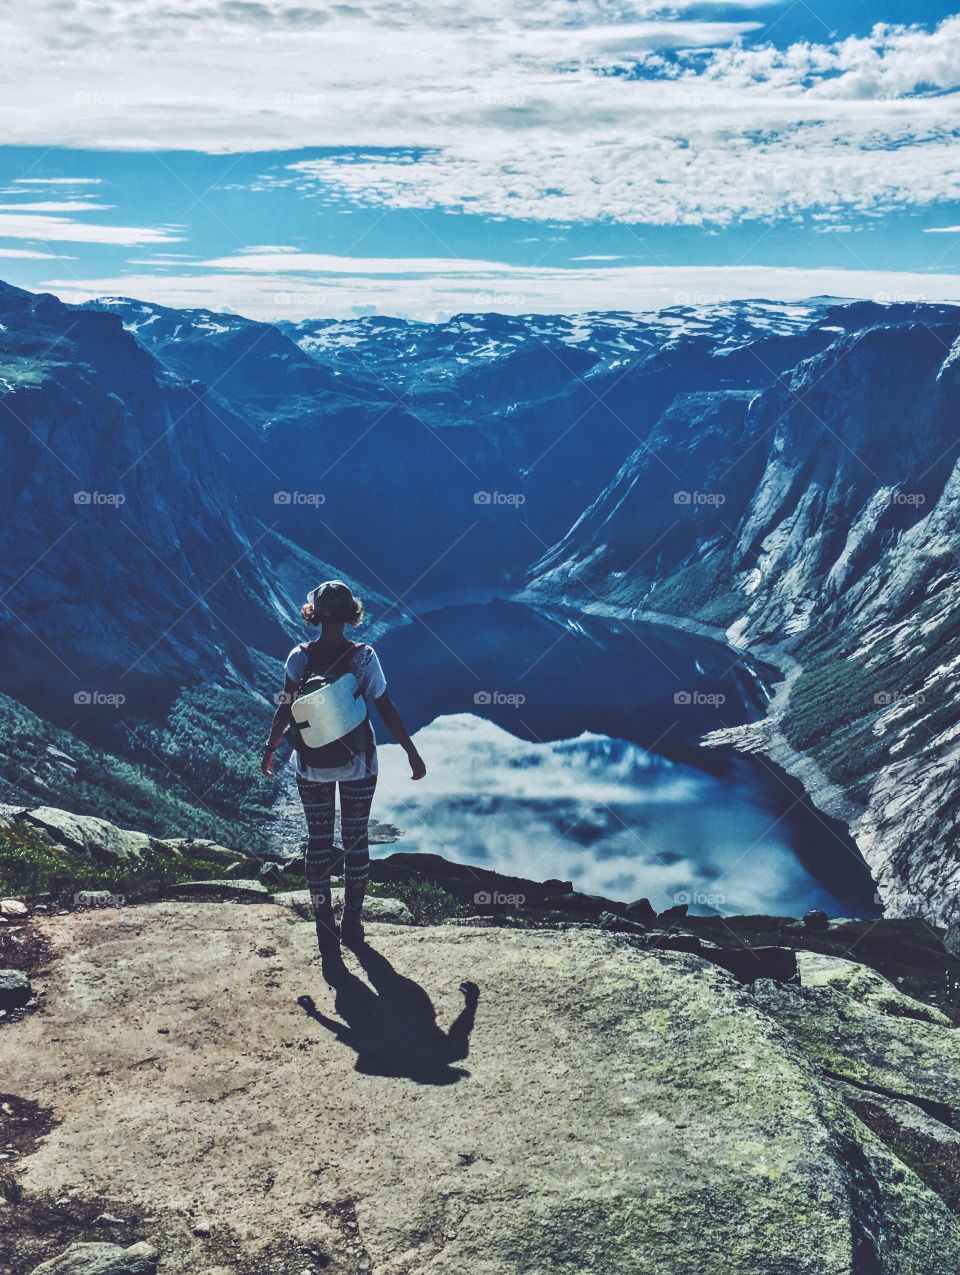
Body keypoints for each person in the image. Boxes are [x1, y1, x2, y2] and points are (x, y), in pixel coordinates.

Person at [261, 580, 426, 951]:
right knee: (355, 841)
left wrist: (270, 749)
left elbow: (285, 709)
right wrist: (411, 752)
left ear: (314, 614)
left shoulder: (298, 657)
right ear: (351, 613)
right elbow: (385, 708)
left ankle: (325, 926)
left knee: (317, 843)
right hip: (359, 764)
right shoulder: (363, 657)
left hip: (311, 766)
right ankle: (352, 923)